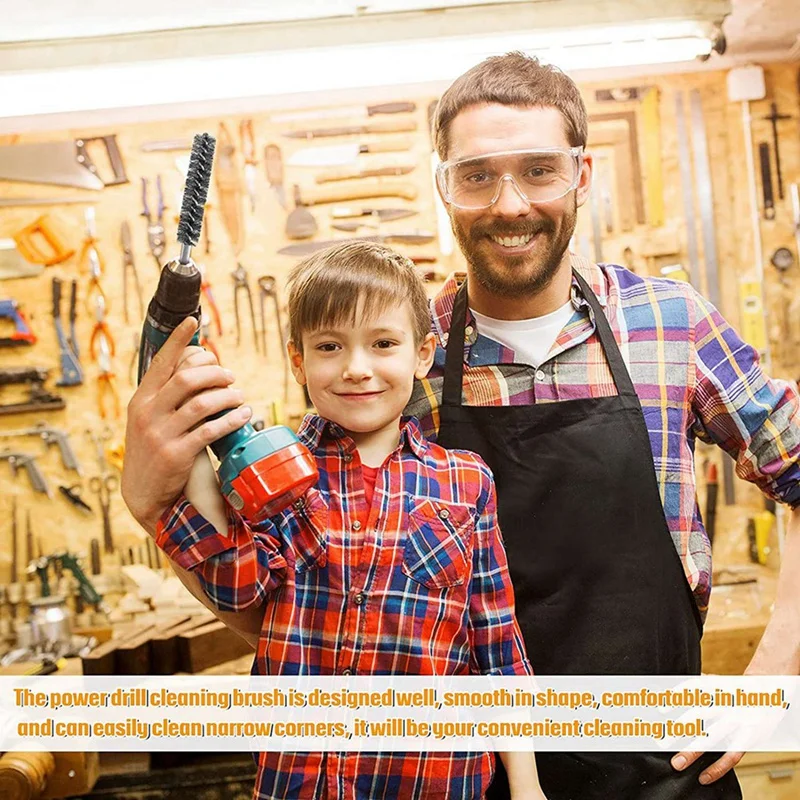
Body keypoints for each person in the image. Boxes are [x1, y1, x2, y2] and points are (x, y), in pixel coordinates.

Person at [398, 51, 800, 799]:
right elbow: (317, 557)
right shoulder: (401, 362)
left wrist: (774, 674)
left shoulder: (668, 323)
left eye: (539, 169)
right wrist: (156, 493)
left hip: (662, 772)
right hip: (467, 775)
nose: (509, 202)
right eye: (478, 174)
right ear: (443, 186)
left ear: (581, 176)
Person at [122, 241, 545, 800]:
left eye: (383, 344)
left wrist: (527, 786)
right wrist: (199, 458)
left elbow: (497, 647)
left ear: (422, 355)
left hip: (436, 779)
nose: (356, 368)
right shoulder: (272, 475)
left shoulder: (466, 483)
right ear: (298, 361)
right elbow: (239, 585)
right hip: (302, 780)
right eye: (329, 346)